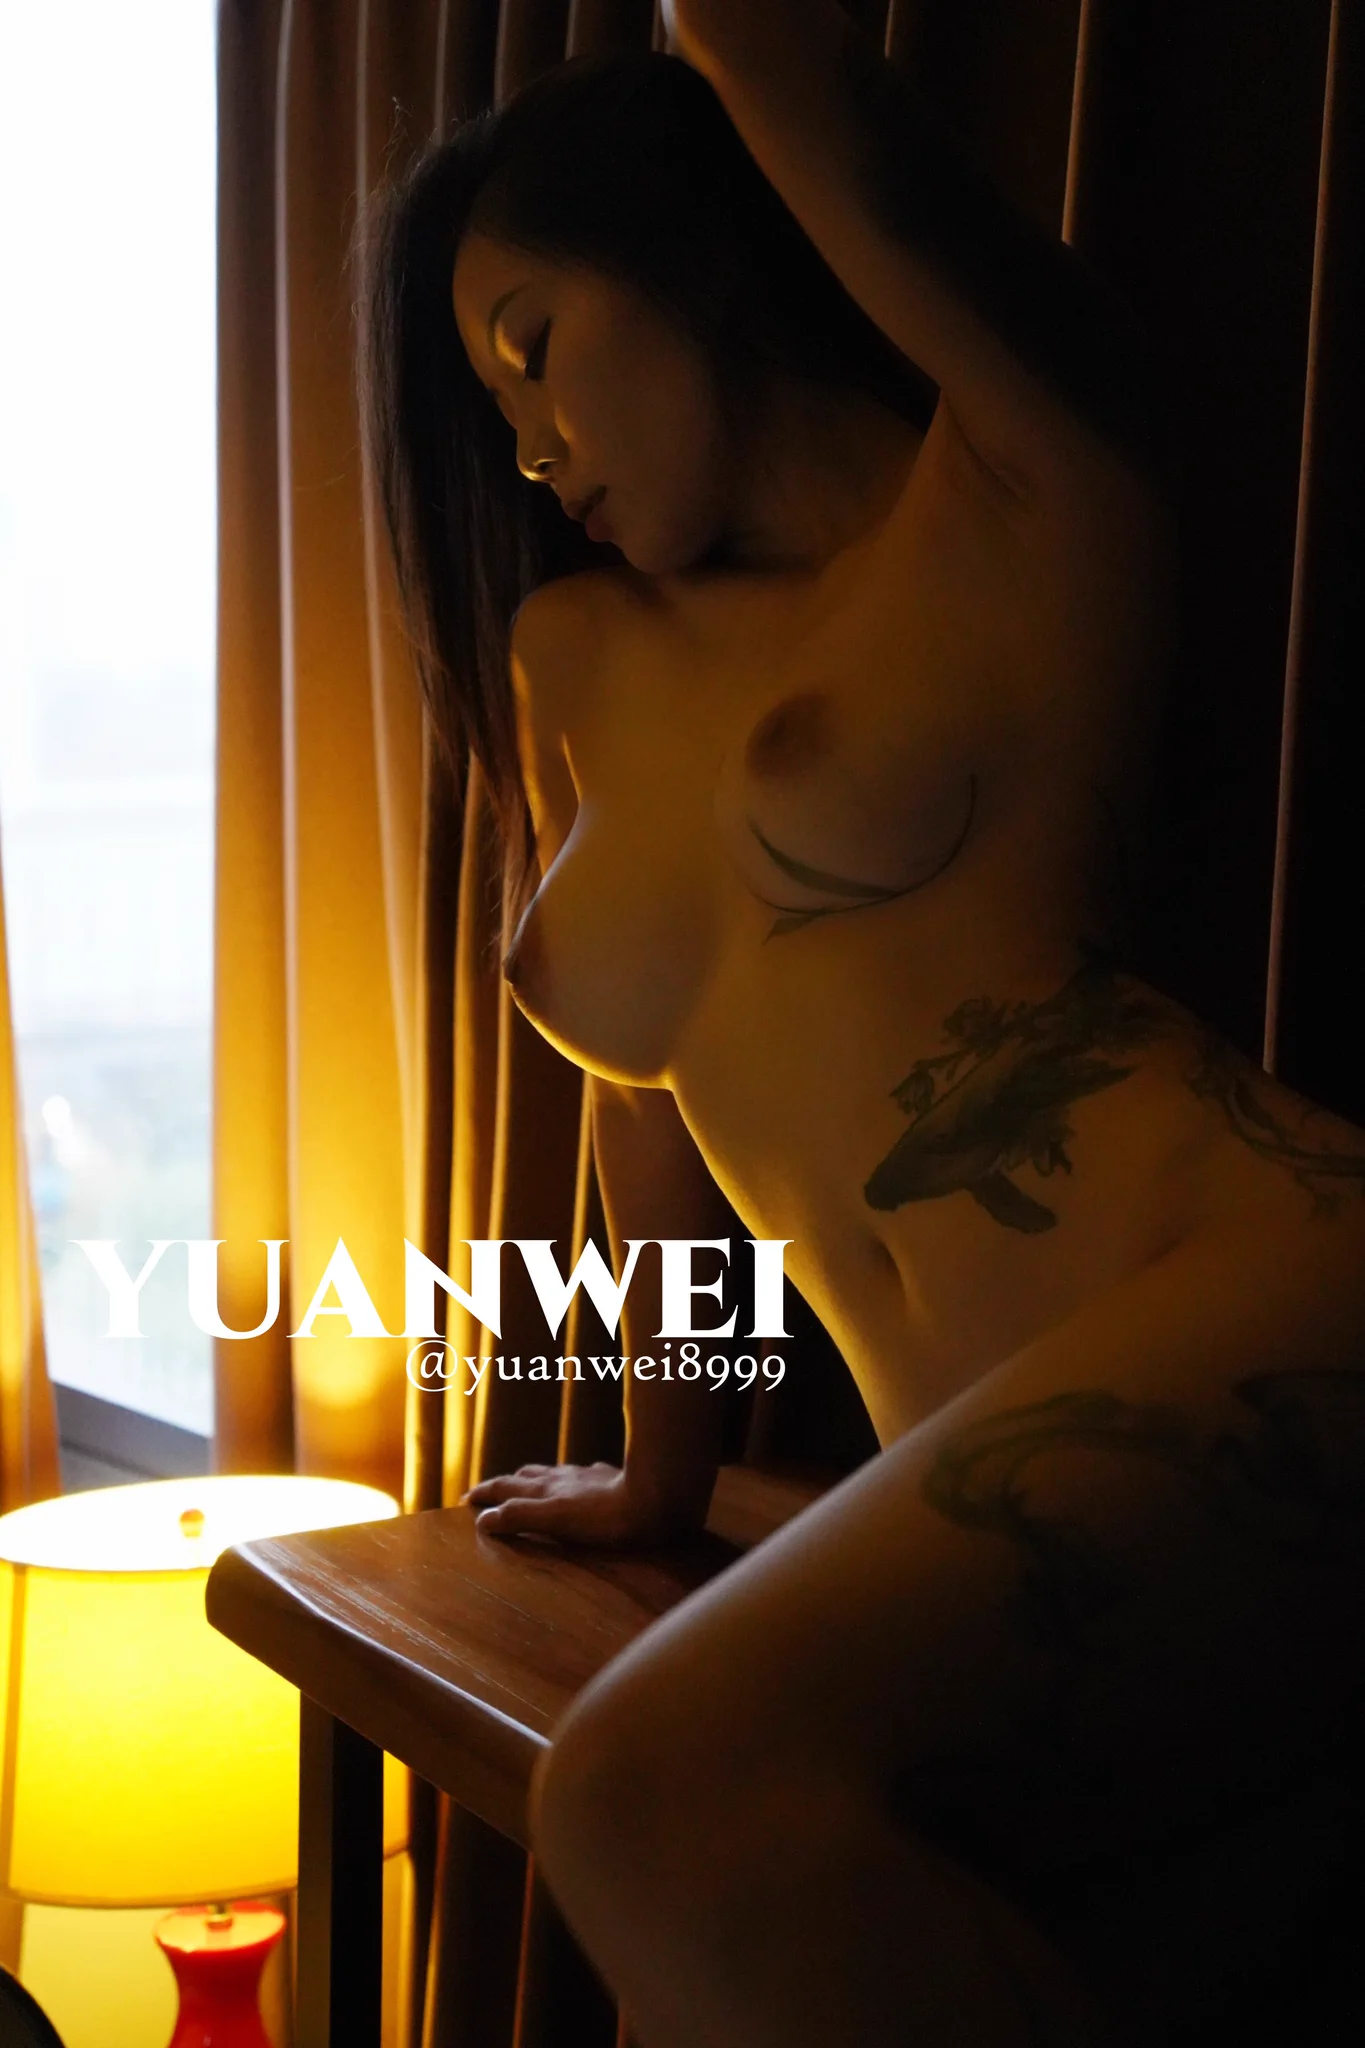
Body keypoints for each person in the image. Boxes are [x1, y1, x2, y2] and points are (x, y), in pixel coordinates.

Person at [358, 4, 1365, 2042]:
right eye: (491, 399)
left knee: (641, 1797)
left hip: (1263, 1267)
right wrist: (661, 1471)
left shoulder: (1023, 490)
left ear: (692, 255)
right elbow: (648, 1101)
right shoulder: (573, 654)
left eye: (537, 346)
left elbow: (792, 81)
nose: (528, 444)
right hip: (988, 1451)